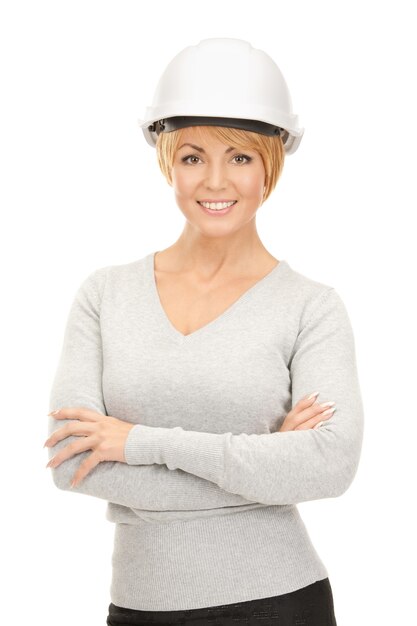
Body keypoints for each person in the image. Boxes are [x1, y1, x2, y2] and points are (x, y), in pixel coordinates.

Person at [45, 38, 364, 626]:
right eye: (193, 156)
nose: (216, 181)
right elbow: (72, 463)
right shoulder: (104, 296)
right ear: (167, 160)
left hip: (278, 603)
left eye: (240, 157)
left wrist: (138, 441)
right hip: (138, 607)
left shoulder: (310, 308)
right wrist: (267, 465)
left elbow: (329, 467)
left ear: (273, 161)